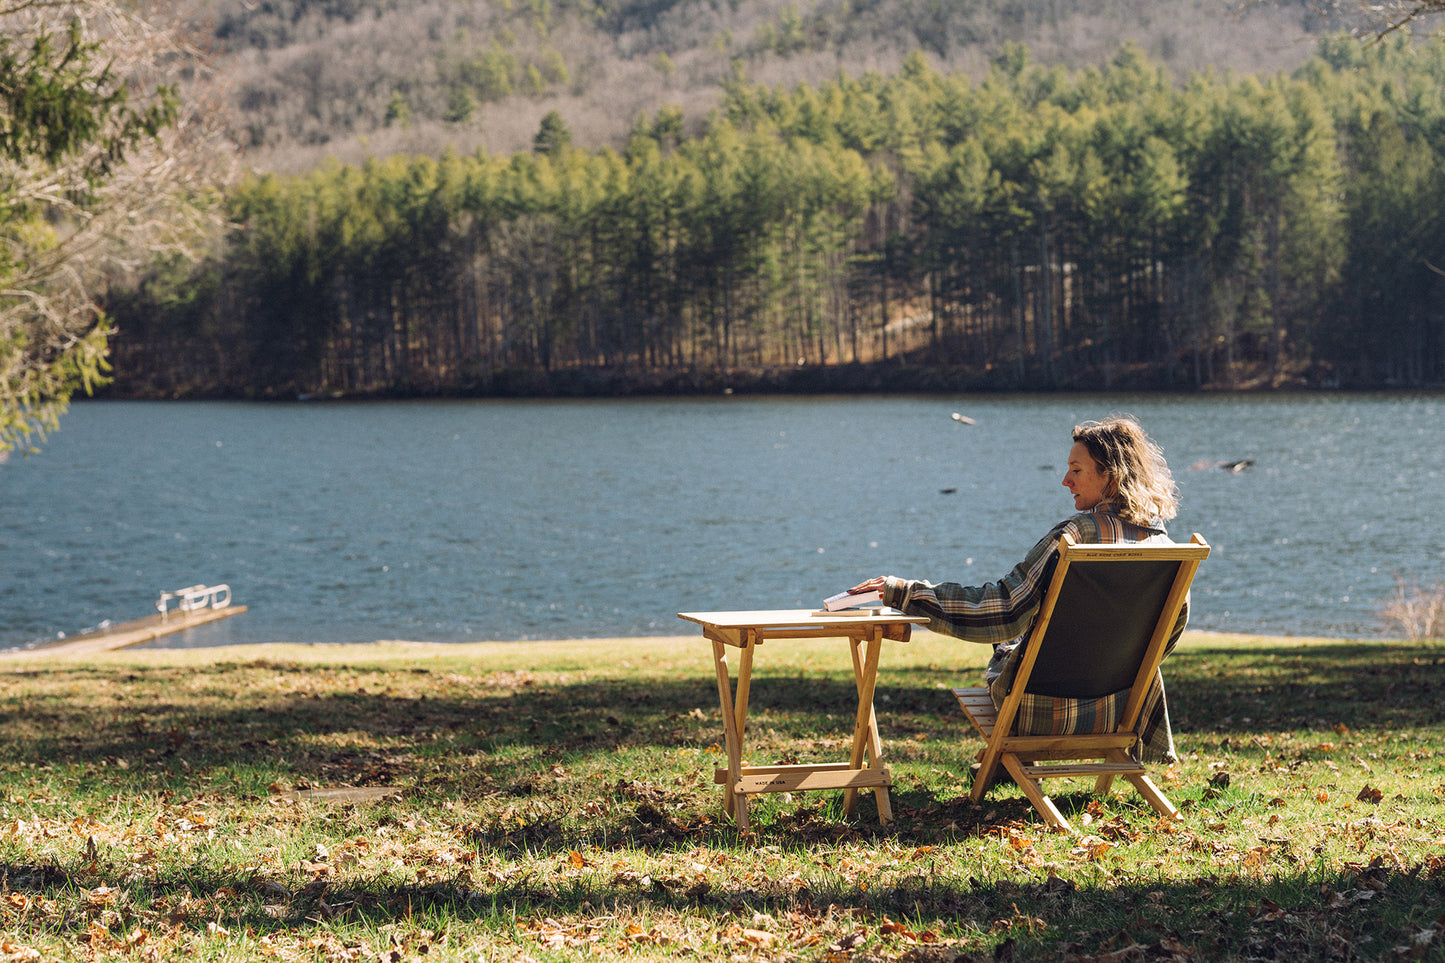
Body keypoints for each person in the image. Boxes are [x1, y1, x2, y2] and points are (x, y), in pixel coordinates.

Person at [848, 414, 1187, 763]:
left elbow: (1002, 610)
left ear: (1110, 477)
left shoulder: (1077, 535)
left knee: (1007, 640)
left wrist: (905, 592)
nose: (1064, 480)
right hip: (1120, 710)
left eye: (1076, 470)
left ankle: (1008, 762)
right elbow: (1168, 634)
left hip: (1040, 713)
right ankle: (1007, 767)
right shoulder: (1168, 547)